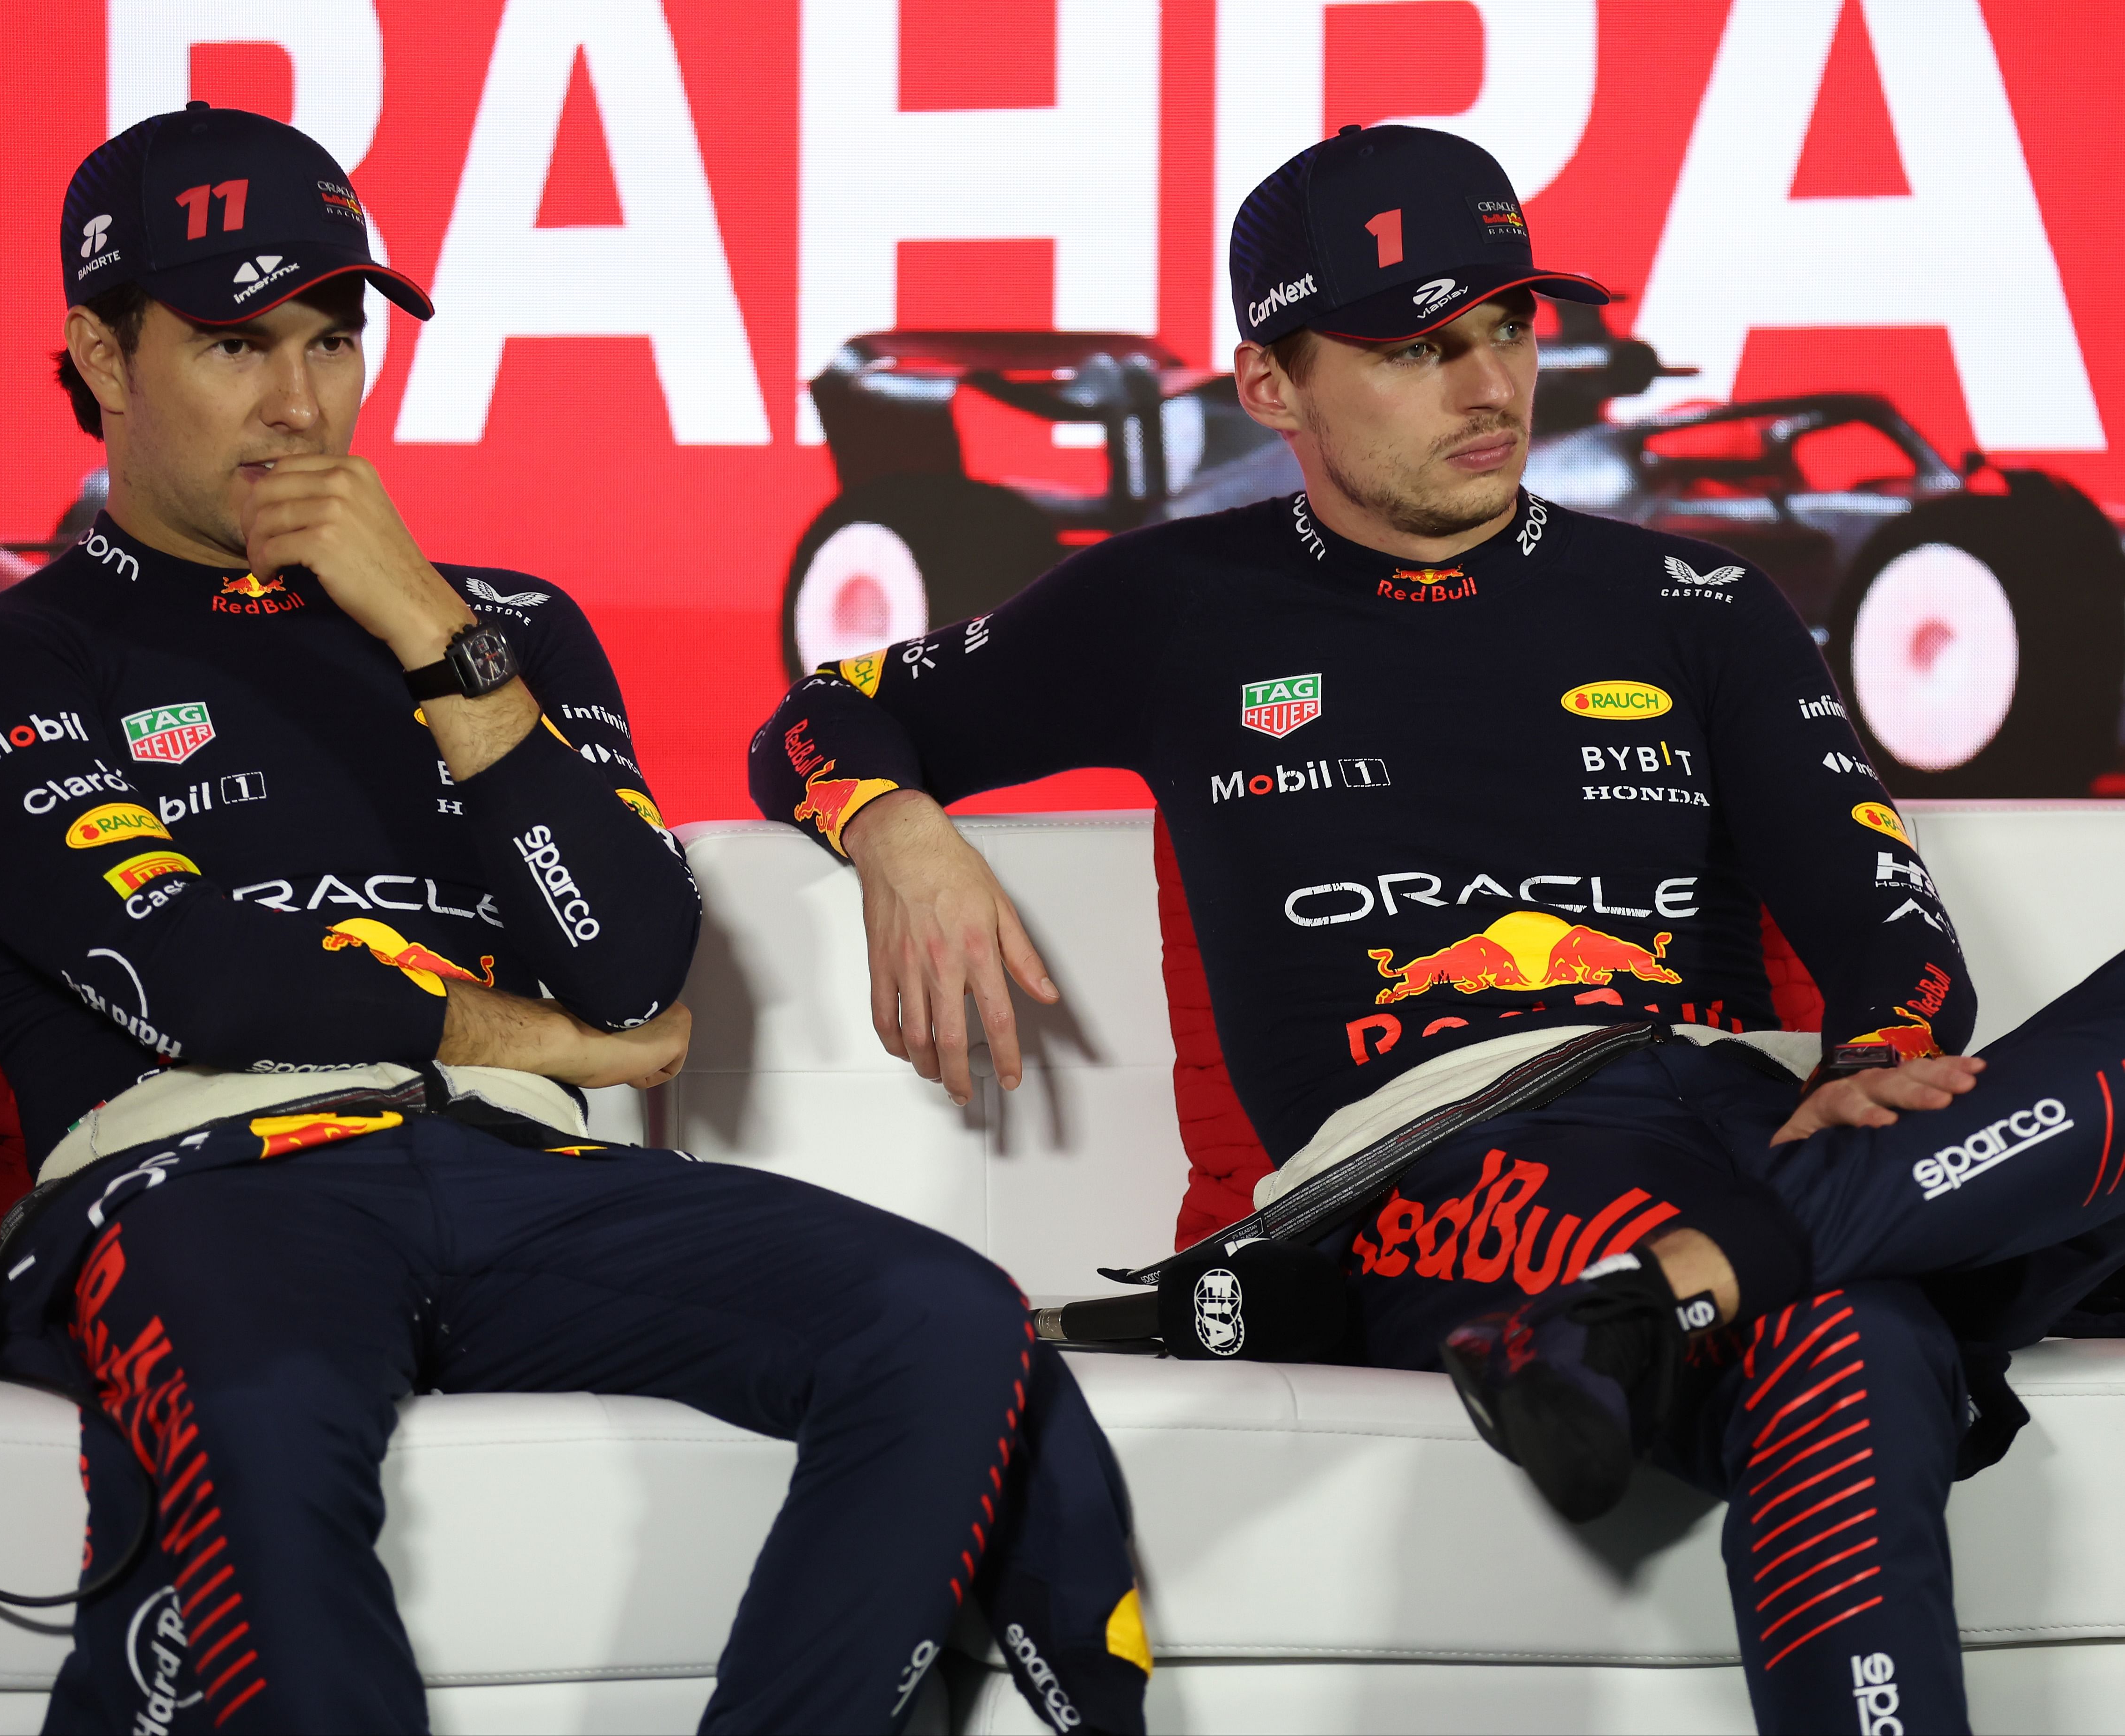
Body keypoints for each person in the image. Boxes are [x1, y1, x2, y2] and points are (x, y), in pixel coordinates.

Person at [749, 122, 2125, 1735]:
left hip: (1751, 1122)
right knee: (1852, 1322)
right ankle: (1758, 1270)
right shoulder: (1169, 600)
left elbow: (1885, 922)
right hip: (1429, 1165)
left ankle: (1683, 1292)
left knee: (1828, 1274)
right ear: (1271, 385)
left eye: (1508, 328)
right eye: (1415, 348)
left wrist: (1879, 1063)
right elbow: (819, 715)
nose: (1490, 389)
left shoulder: (1702, 604)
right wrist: (895, 827)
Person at [0, 104, 1150, 1736]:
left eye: (332, 338)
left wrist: (431, 634)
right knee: (261, 1417)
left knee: (943, 1316)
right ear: (102, 354)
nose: (300, 403)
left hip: (521, 1179)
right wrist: (550, 1042)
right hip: (207, 1184)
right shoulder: (0, 660)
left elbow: (630, 955)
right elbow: (204, 979)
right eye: (230, 344)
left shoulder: (506, 628)